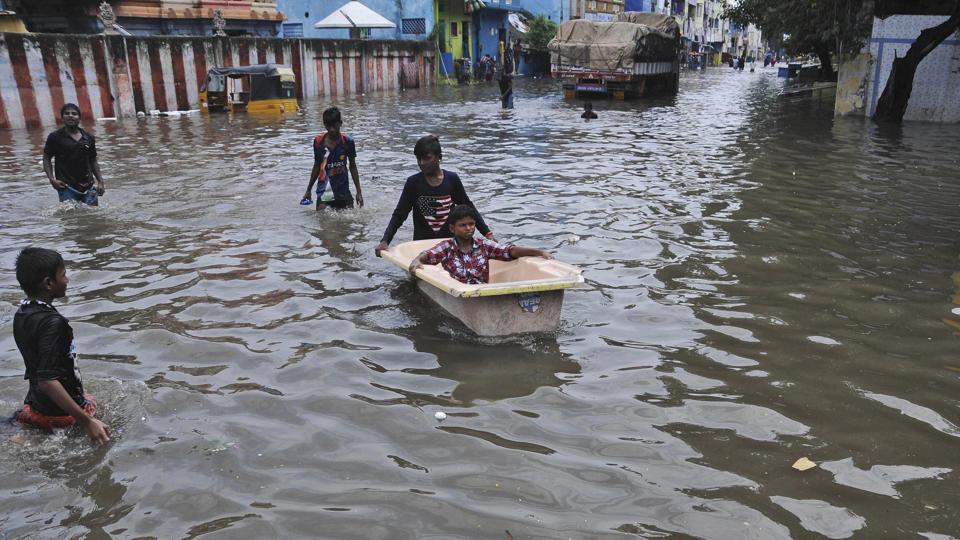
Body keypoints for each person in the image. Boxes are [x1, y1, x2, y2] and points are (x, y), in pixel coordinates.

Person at [12, 247, 110, 444]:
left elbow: (38, 371)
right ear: (49, 283)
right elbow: (48, 381)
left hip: (37, 404)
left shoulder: (22, 314)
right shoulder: (53, 323)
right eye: (63, 275)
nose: (68, 280)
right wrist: (87, 421)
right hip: (59, 414)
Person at [376, 135, 494, 256]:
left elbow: (469, 208)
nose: (421, 163)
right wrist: (385, 240)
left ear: (439, 157)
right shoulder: (413, 183)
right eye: (418, 159)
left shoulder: (452, 180)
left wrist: (487, 233)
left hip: (449, 246)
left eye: (427, 158)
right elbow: (399, 214)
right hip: (421, 246)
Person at [408, 205, 551, 284]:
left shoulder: (484, 245)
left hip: (482, 292)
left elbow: (509, 250)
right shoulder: (447, 247)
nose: (469, 228)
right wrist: (416, 260)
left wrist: (538, 252)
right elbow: (427, 255)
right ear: (452, 228)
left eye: (471, 224)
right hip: (459, 293)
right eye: (463, 225)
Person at [43, 103, 106, 206]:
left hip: (88, 186)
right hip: (66, 186)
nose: (70, 116)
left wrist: (100, 182)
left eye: (74, 113)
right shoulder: (55, 137)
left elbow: (93, 160)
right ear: (62, 118)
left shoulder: (88, 138)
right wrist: (52, 180)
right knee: (70, 218)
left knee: (94, 216)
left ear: (79, 118)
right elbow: (46, 159)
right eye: (67, 113)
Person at [302, 106, 364, 210]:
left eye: (334, 126)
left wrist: (359, 192)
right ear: (325, 125)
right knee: (322, 220)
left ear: (340, 123)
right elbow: (317, 166)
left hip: (343, 191)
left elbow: (353, 166)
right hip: (324, 191)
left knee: (349, 221)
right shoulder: (318, 142)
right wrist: (308, 189)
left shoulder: (348, 142)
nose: (331, 129)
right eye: (328, 126)